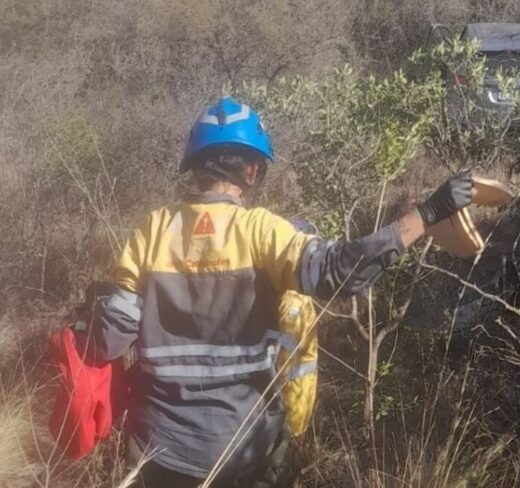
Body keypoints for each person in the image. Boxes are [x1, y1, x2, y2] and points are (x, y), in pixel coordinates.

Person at [90, 96, 473, 487]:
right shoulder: (261, 230)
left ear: (197, 165)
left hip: (157, 452)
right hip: (240, 453)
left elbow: (108, 341)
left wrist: (97, 305)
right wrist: (427, 214)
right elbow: (340, 273)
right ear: (252, 171)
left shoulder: (151, 231)